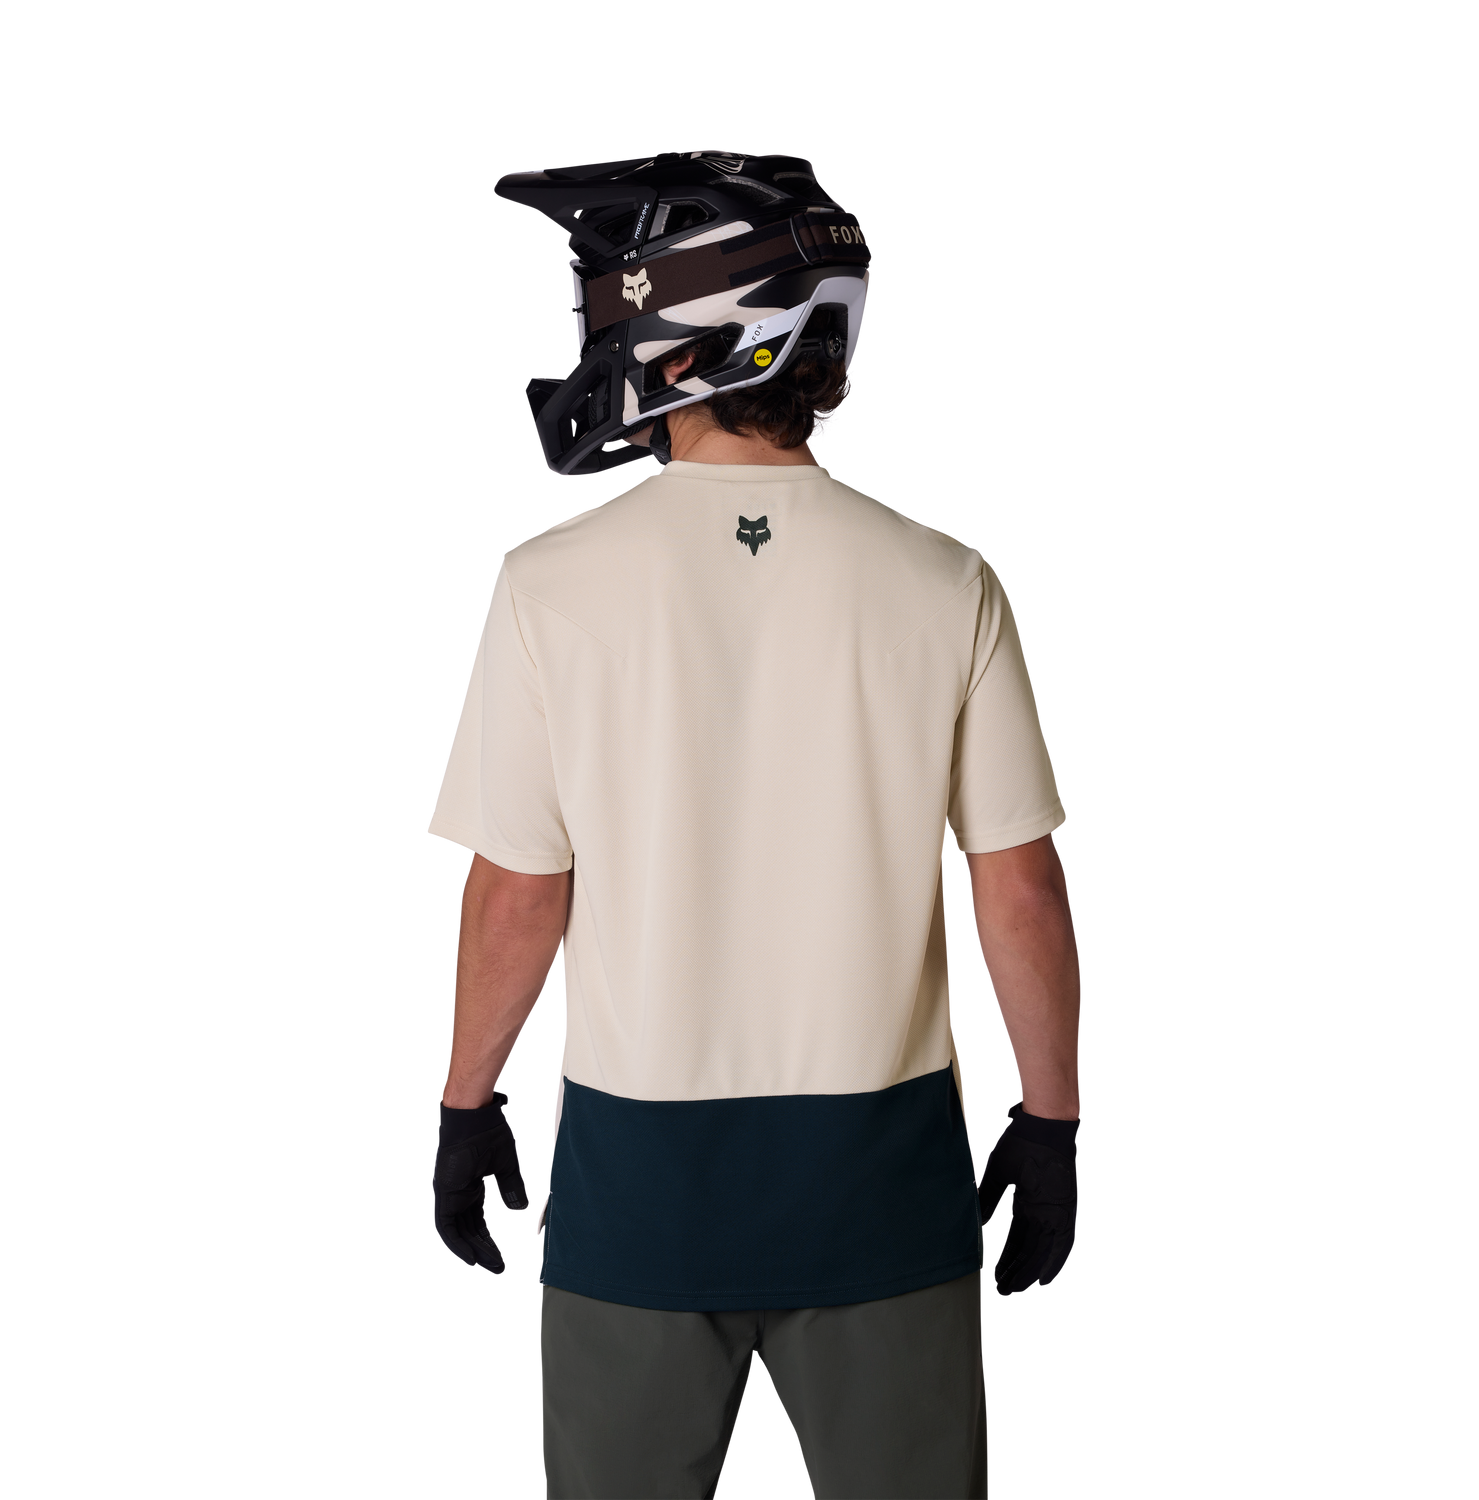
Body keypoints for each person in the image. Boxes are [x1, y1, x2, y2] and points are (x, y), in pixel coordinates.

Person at [425, 149, 1082, 1500]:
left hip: (637, 1188)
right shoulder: (947, 576)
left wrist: (465, 1108)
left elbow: (518, 892)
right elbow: (1020, 888)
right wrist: (1054, 1126)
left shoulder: (547, 584)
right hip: (885, 1180)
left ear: (682, 333)